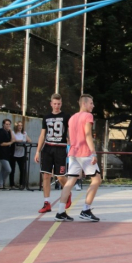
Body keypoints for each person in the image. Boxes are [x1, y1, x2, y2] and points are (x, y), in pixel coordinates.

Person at [55, 94, 102, 222]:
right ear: (84, 104)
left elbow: (70, 137)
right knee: (97, 180)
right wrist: (93, 153)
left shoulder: (72, 118)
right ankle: (86, 210)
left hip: (73, 153)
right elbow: (88, 135)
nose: (93, 105)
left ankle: (60, 212)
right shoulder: (88, 116)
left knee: (70, 181)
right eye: (91, 103)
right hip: (84, 152)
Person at [34, 93, 71, 213]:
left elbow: (69, 134)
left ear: (61, 104)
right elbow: (42, 135)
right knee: (45, 175)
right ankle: (47, 203)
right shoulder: (46, 117)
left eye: (59, 104)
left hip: (60, 148)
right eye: (54, 104)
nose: (56, 106)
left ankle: (68, 193)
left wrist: (71, 148)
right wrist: (37, 151)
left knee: (60, 176)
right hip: (48, 148)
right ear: (51, 104)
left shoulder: (66, 116)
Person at [0, 119, 16, 189]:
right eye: (6, 124)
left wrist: (11, 131)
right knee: (8, 169)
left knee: (3, 170)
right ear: (3, 125)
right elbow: (2, 143)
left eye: (9, 124)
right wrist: (10, 143)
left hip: (7, 154)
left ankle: (1, 184)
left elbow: (14, 139)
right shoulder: (0, 132)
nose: (8, 126)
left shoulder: (8, 132)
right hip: (1, 153)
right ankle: (3, 182)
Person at [9, 121, 32, 189]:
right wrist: (21, 141)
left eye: (21, 125)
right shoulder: (13, 132)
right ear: (16, 126)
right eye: (19, 125)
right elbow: (13, 140)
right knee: (12, 169)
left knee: (22, 169)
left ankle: (21, 184)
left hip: (22, 153)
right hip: (14, 153)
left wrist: (26, 138)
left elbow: (29, 140)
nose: (20, 127)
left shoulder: (24, 133)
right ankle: (12, 184)